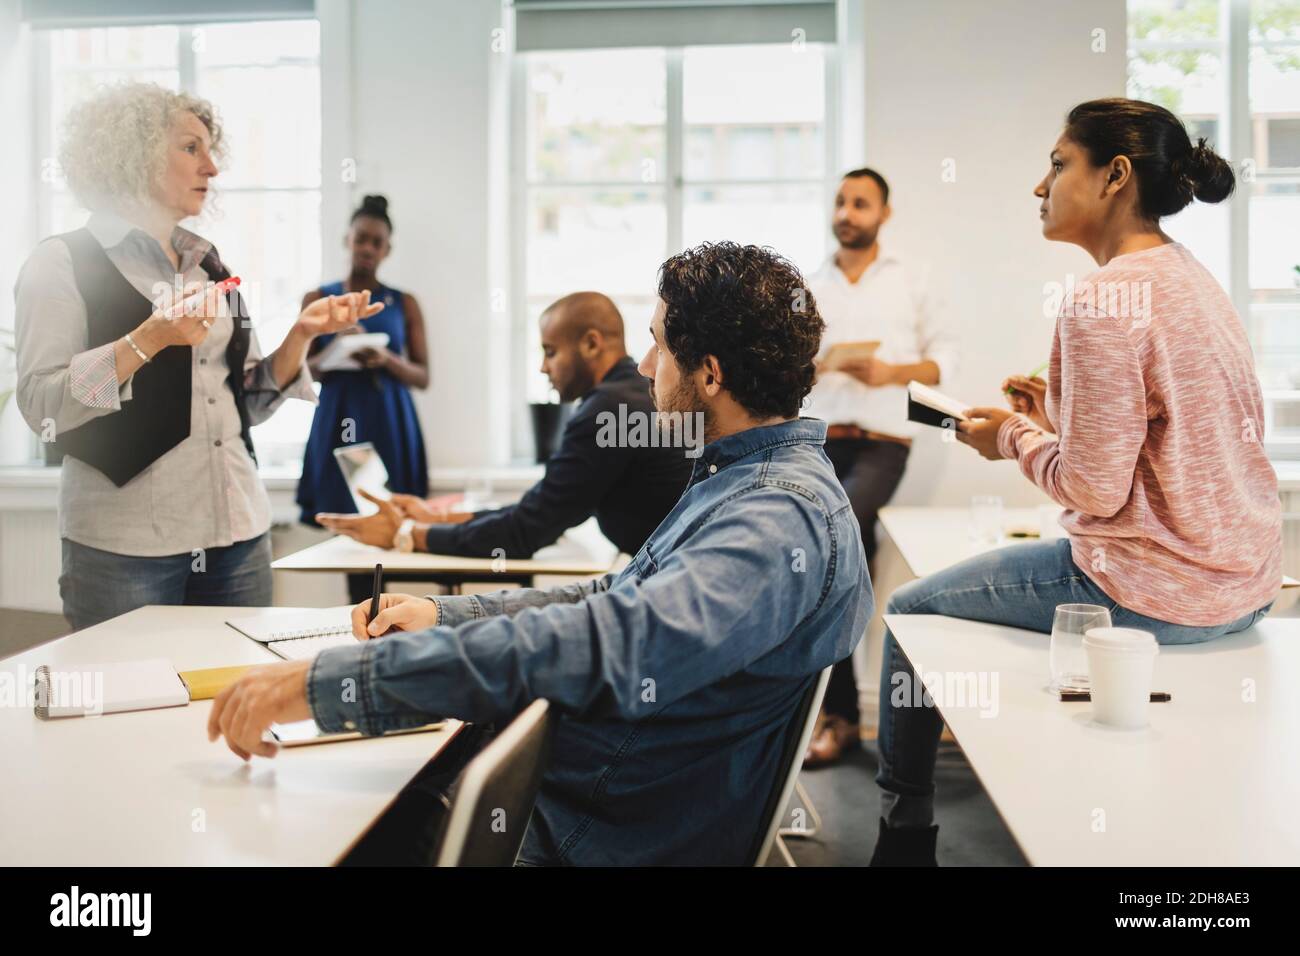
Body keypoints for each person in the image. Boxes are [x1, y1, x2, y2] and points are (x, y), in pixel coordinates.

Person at [207, 242, 874, 866]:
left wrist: (336, 683)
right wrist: (448, 619)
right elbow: (612, 599)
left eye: (658, 346)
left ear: (710, 373)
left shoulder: (775, 518)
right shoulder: (743, 478)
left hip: (592, 825)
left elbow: (612, 638)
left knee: (296, 823)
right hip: (592, 787)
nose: (644, 367)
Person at [872, 98, 1282, 866]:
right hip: (1245, 584)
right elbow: (1167, 436)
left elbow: (1092, 493)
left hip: (1151, 590)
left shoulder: (1098, 298)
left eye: (1059, 164)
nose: (1041, 186)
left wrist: (1010, 439)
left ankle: (903, 840)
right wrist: (1056, 417)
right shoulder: (1191, 276)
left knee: (905, 611)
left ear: (1114, 176)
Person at [13, 83, 379, 631]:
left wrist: (303, 334)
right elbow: (44, 406)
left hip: (238, 537)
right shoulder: (60, 262)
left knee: (231, 706)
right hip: (125, 549)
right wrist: (147, 340)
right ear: (132, 154)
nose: (211, 165)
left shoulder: (208, 264)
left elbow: (249, 400)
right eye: (191, 148)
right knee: (127, 707)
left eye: (211, 150)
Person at [316, 291, 692, 560]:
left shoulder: (608, 409)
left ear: (592, 344)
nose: (544, 367)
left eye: (550, 351)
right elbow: (544, 508)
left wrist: (405, 535)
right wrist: (438, 517)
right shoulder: (628, 396)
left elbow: (526, 530)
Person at [801, 167, 958, 767]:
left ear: (883, 214)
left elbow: (945, 359)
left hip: (883, 443)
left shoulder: (912, 279)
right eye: (840, 202)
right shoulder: (809, 284)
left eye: (860, 203)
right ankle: (834, 713)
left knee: (832, 540)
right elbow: (790, 366)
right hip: (820, 440)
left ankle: (837, 718)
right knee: (836, 560)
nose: (847, 212)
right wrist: (819, 366)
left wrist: (893, 373)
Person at [296, 194, 430, 601]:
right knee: (350, 525)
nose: (368, 248)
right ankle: (360, 620)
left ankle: (392, 615)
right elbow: (298, 369)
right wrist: (338, 348)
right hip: (340, 420)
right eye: (361, 239)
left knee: (394, 518)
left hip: (390, 421)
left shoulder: (404, 303)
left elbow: (423, 375)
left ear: (386, 249)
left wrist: (384, 357)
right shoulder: (318, 298)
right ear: (347, 240)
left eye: (377, 242)